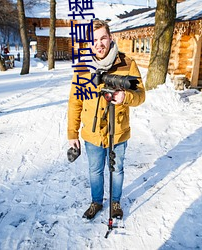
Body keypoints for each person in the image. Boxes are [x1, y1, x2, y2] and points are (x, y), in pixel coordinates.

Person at [67, 20, 145, 220]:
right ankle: (96, 202)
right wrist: (72, 134)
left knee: (117, 169)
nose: (99, 44)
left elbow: (141, 95)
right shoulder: (83, 67)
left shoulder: (127, 64)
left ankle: (116, 202)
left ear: (110, 38)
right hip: (92, 133)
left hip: (118, 130)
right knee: (95, 170)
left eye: (103, 38)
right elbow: (75, 103)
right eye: (94, 40)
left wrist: (125, 97)